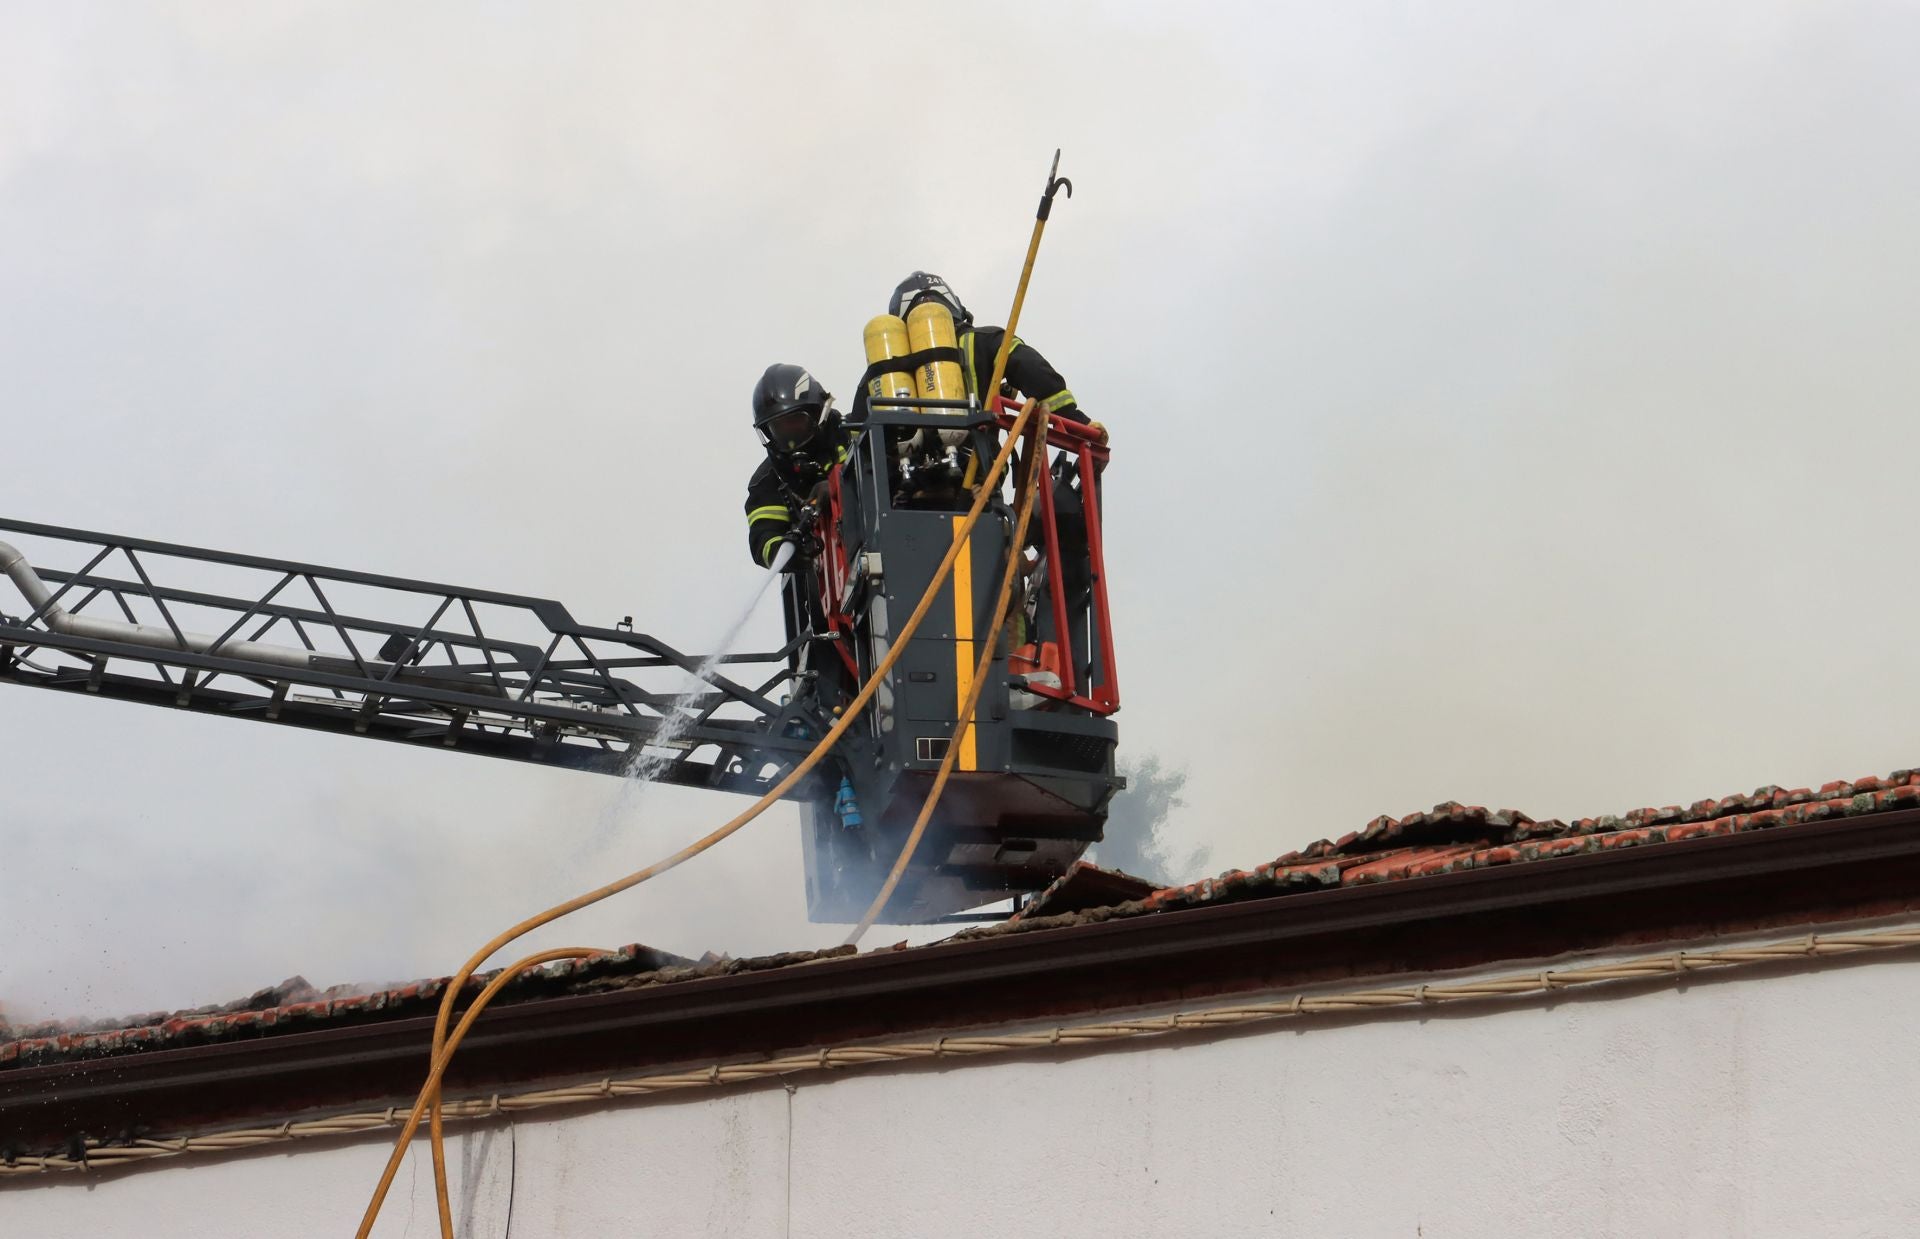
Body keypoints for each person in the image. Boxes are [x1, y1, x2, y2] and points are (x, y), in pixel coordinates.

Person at [866, 271, 1094, 431]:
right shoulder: (984, 339)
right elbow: (1031, 368)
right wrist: (1076, 421)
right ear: (955, 305)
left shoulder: (883, 367)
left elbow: (856, 431)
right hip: (975, 469)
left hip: (896, 490)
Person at [743, 363, 849, 569]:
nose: (790, 436)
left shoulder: (853, 435)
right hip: (832, 581)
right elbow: (763, 539)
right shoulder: (769, 481)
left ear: (818, 415)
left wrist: (839, 485)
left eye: (795, 422)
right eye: (779, 429)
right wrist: (787, 551)